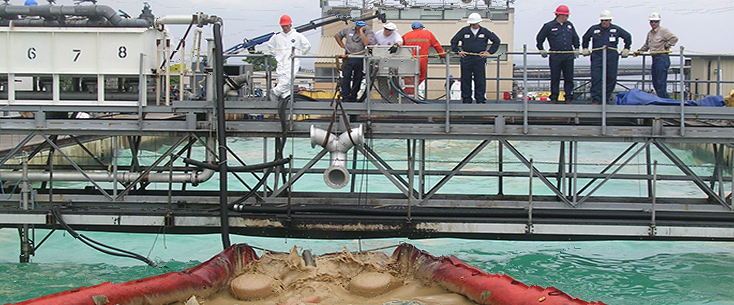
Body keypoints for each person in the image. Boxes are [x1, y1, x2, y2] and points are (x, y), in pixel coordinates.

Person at [581, 10, 632, 104]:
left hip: (611, 57)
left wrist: (626, 48)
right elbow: (585, 38)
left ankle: (606, 98)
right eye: (602, 20)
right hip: (597, 57)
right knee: (596, 78)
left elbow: (627, 36)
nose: (604, 22)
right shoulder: (594, 29)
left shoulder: (616, 29)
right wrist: (585, 48)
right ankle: (596, 99)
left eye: (606, 20)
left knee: (611, 78)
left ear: (610, 20)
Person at [450, 13, 501, 104]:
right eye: (471, 24)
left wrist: (489, 52)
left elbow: (496, 41)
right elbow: (454, 41)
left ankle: (480, 99)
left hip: (479, 58)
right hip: (467, 58)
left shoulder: (485, 31)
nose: (472, 25)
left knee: (480, 78)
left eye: (474, 23)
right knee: (465, 78)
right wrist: (458, 51)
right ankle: (466, 99)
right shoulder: (464, 31)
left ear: (479, 22)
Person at [535, 5, 580, 104]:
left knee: (569, 77)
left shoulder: (569, 25)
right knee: (555, 77)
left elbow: (575, 38)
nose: (567, 18)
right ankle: (554, 97)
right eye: (565, 15)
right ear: (559, 15)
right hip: (555, 55)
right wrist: (541, 49)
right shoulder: (549, 26)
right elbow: (539, 38)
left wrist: (576, 48)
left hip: (568, 55)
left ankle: (568, 97)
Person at [265, 14, 311, 101]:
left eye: (286, 26)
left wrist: (298, 54)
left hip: (292, 62)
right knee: (285, 82)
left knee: (288, 80)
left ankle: (275, 92)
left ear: (290, 25)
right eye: (283, 26)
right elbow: (270, 45)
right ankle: (286, 102)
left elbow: (307, 46)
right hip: (281, 63)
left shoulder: (297, 35)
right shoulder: (277, 36)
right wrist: (276, 54)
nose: (285, 28)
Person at [634, 12, 678, 99]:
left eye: (655, 21)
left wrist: (667, 45)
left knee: (660, 82)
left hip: (662, 57)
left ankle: (665, 101)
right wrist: (639, 51)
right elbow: (646, 45)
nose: (653, 23)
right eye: (652, 21)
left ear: (659, 22)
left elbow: (674, 38)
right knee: (655, 82)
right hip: (655, 58)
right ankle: (662, 99)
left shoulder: (663, 31)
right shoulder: (650, 33)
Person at [334, 20, 376, 102]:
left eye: (361, 26)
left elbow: (367, 43)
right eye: (358, 26)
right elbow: (337, 35)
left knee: (358, 77)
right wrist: (343, 46)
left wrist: (361, 32)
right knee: (346, 77)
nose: (359, 27)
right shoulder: (348, 30)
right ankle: (345, 95)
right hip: (349, 56)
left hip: (360, 57)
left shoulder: (369, 32)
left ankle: (353, 95)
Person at [402, 21, 445, 88]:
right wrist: (442, 55)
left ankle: (407, 92)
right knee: (421, 77)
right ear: (421, 27)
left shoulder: (406, 35)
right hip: (422, 58)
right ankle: (413, 91)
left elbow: (400, 46)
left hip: (410, 60)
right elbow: (436, 45)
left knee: (409, 78)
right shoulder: (428, 34)